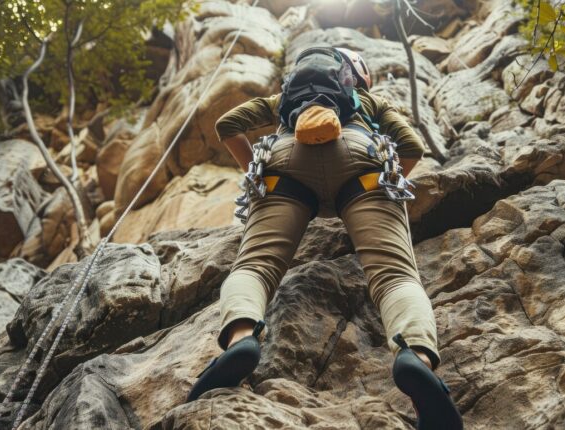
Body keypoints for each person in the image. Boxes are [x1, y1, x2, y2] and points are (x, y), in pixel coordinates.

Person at [187, 46, 462, 430]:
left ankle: (242, 339)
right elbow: (412, 146)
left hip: (285, 164)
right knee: (394, 276)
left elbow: (228, 125)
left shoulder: (284, 98)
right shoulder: (370, 100)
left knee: (255, 266)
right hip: (362, 159)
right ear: (355, 76)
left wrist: (258, 168)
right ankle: (416, 357)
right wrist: (385, 175)